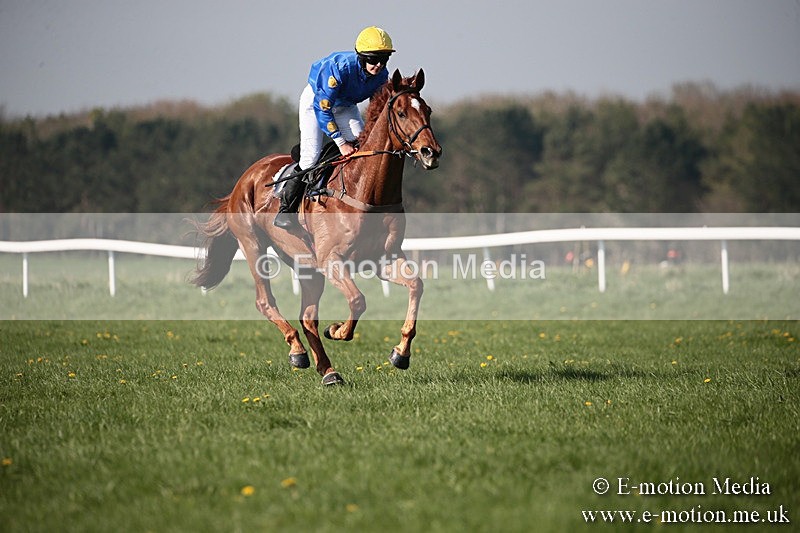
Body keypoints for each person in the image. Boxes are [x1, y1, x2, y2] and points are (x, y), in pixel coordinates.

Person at [274, 26, 395, 228]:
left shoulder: (382, 76)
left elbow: (376, 110)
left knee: (365, 149)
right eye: (374, 59)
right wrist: (341, 143)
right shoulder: (339, 68)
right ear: (361, 57)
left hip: (345, 106)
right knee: (310, 158)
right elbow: (323, 109)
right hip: (316, 103)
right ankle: (286, 210)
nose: (379, 65)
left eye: (384, 59)